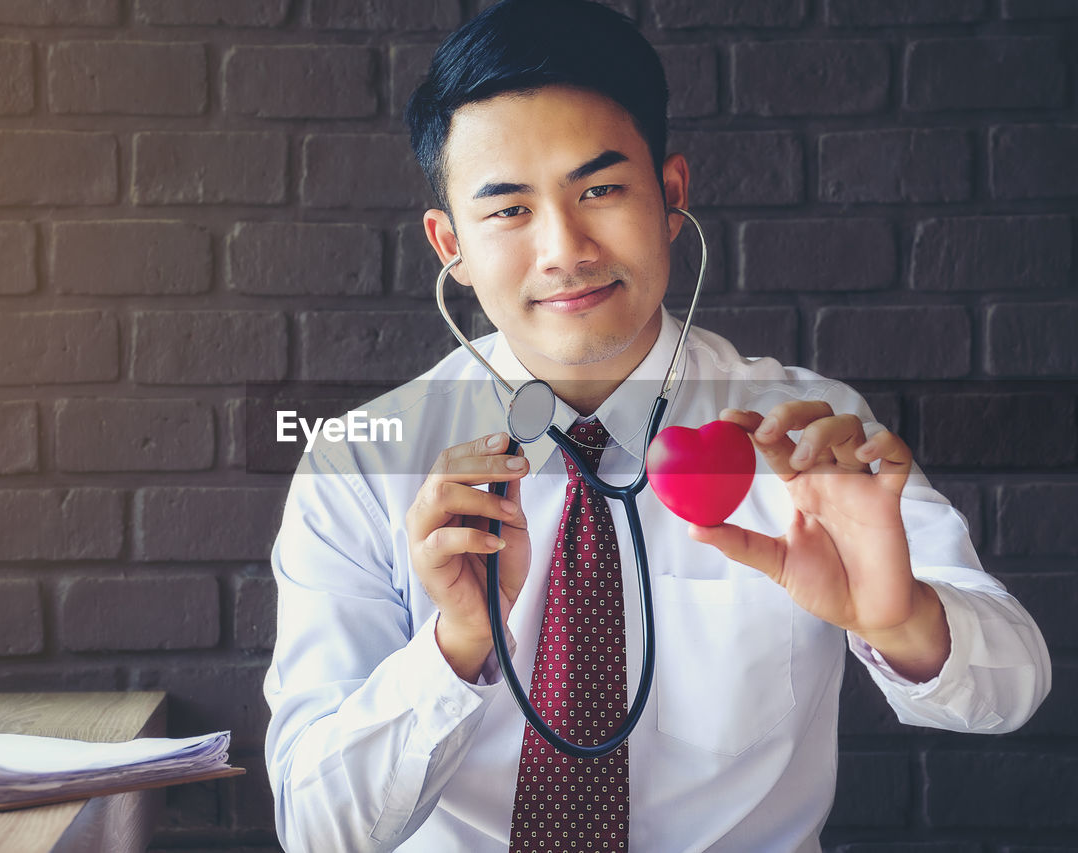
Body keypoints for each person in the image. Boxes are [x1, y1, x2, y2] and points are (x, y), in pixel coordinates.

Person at [262, 1, 1051, 850]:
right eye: (509, 211)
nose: (565, 248)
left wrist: (898, 618)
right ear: (448, 243)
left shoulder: (806, 440)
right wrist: (456, 647)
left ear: (671, 196)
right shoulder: (360, 460)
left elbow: (1014, 689)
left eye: (600, 190)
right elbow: (316, 829)